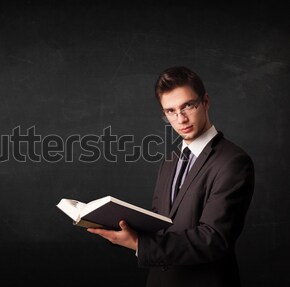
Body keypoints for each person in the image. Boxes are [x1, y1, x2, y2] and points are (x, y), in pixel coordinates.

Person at [87, 66, 255, 287]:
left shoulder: (233, 161)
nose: (181, 119)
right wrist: (123, 229)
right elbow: (160, 223)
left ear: (205, 102)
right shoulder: (170, 161)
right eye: (171, 111)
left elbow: (213, 238)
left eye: (188, 106)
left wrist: (140, 245)